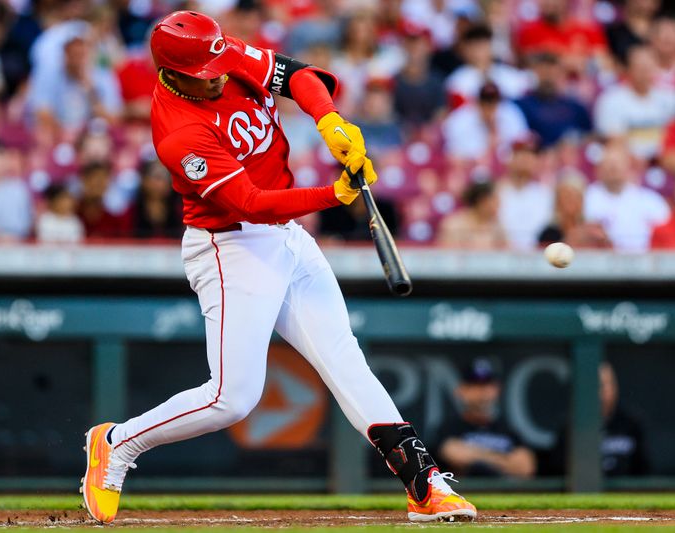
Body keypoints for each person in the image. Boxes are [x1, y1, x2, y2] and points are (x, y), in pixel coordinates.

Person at [80, 11, 476, 525]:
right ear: (172, 74)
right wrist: (335, 195)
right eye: (205, 73)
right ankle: (117, 443)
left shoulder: (220, 54)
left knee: (344, 359)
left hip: (287, 238)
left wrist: (328, 119)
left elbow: (300, 76)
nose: (219, 75)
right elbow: (248, 201)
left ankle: (424, 486)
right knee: (231, 399)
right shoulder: (178, 131)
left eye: (218, 63)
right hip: (230, 248)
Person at [437, 358, 536, 478]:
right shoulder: (449, 428)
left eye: (487, 385)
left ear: (497, 390)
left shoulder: (507, 430)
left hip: (503, 493)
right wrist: (504, 460)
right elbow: (454, 454)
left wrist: (478, 456)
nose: (483, 392)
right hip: (465, 493)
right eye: (476, 385)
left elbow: (526, 467)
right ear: (461, 390)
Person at [593, 45, 675, 161]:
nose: (644, 73)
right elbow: (614, 140)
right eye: (639, 68)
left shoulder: (671, 98)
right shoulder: (611, 100)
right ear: (628, 69)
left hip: (665, 162)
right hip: (628, 163)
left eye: (648, 67)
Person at [584, 143, 670, 252]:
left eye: (617, 163)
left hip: (643, 263)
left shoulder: (650, 201)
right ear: (599, 168)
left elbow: (667, 235)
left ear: (628, 167)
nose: (613, 168)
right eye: (609, 164)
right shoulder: (586, 199)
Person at [514, 52, 591, 149]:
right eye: (543, 71)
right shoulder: (522, 105)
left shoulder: (575, 107)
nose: (547, 76)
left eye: (551, 71)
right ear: (535, 71)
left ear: (560, 73)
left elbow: (589, 135)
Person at [445, 24, 531, 107]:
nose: (480, 51)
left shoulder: (508, 73)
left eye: (484, 44)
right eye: (475, 45)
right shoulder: (458, 80)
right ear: (465, 50)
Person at [442, 81, 529, 162]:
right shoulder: (459, 119)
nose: (489, 107)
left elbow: (523, 144)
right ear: (477, 102)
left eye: (493, 102)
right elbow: (452, 155)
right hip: (470, 170)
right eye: (485, 102)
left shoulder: (511, 114)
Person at [496, 138, 554, 251]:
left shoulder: (545, 195)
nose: (526, 159)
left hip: (537, 258)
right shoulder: (496, 193)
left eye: (531, 154)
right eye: (521, 154)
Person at [538, 171, 611, 247]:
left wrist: (603, 240)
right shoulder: (549, 234)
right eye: (566, 196)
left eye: (575, 197)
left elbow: (609, 254)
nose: (571, 201)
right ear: (558, 202)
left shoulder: (592, 229)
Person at [437, 181, 506, 249]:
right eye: (495, 200)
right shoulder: (454, 225)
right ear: (482, 201)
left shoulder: (497, 226)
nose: (499, 205)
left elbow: (508, 254)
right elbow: (447, 255)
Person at [76, 161, 131, 238]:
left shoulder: (116, 219)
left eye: (104, 178)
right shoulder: (72, 213)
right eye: (94, 178)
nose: (99, 183)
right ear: (84, 180)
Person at [131, 158, 183, 239]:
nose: (162, 183)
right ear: (144, 179)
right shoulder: (130, 214)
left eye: (166, 177)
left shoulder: (181, 213)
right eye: (157, 177)